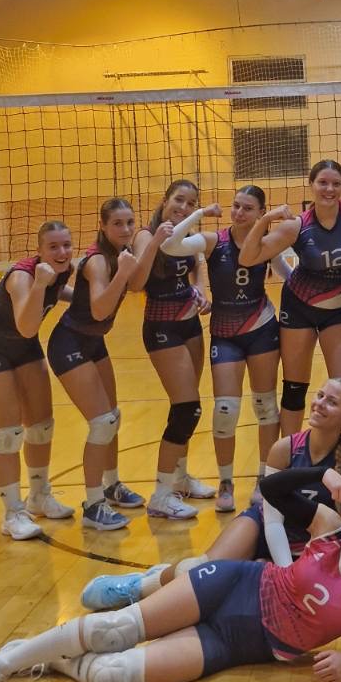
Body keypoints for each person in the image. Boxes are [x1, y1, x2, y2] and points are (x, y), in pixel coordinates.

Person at [0, 474, 341, 682]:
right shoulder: (329, 526)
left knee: (113, 680)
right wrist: (322, 474)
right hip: (233, 587)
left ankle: (51, 657)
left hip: (242, 644)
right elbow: (271, 488)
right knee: (114, 630)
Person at [78, 377, 341, 611]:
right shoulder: (285, 449)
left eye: (331, 402)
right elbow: (272, 521)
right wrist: (287, 573)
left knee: (239, 596)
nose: (319, 404)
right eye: (319, 395)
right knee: (205, 570)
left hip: (311, 545)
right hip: (266, 527)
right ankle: (139, 586)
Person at [46, 196, 164, 531]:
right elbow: (99, 310)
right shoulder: (99, 261)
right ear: (103, 226)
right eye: (117, 224)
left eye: (130, 223)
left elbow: (137, 284)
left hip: (93, 342)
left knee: (113, 416)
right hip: (69, 343)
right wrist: (122, 272)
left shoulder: (121, 252)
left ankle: (111, 485)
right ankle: (93, 504)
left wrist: (153, 242)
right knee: (101, 423)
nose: (125, 229)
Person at [238, 159, 341, 436]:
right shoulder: (297, 225)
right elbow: (248, 257)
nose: (329, 189)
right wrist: (265, 219)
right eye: (322, 182)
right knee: (294, 388)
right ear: (311, 184)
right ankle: (290, 455)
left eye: (336, 183)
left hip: (340, 309)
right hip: (299, 308)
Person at [0, 220, 77, 540]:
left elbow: (56, 292)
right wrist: (40, 284)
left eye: (67, 245)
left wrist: (80, 297)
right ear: (39, 251)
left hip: (23, 349)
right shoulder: (22, 277)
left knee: (41, 426)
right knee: (8, 433)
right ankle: (12, 513)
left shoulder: (61, 271)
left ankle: (39, 496)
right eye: (53, 247)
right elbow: (27, 326)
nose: (62, 252)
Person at [135, 180, 220, 521]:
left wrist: (200, 291)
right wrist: (156, 242)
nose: (183, 208)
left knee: (185, 405)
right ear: (165, 200)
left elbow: (198, 264)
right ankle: (161, 495)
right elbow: (136, 283)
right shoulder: (146, 235)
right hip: (162, 328)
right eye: (178, 200)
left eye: (191, 203)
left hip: (190, 325)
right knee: (187, 410)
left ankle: (180, 478)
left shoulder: (187, 234)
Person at [205, 185, 290, 512]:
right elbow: (179, 250)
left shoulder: (267, 245)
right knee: (225, 409)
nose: (239, 212)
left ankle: (263, 478)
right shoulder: (214, 241)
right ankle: (225, 482)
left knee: (265, 406)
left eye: (247, 208)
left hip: (261, 329)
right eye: (236, 206)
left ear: (260, 213)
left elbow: (290, 276)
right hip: (225, 333)